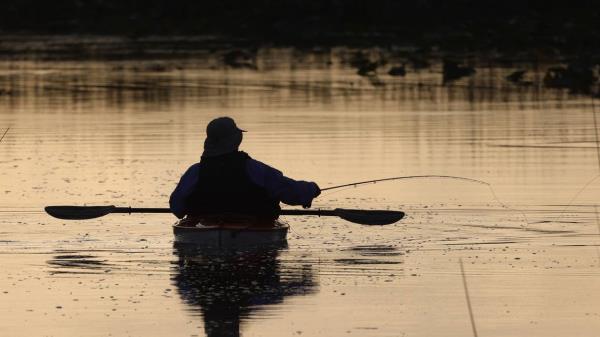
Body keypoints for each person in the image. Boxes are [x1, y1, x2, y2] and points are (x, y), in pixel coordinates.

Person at [170, 117, 321, 222]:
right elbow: (288, 190)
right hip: (253, 229)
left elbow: (177, 207)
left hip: (202, 231)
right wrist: (311, 189)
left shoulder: (195, 172)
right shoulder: (254, 169)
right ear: (234, 140)